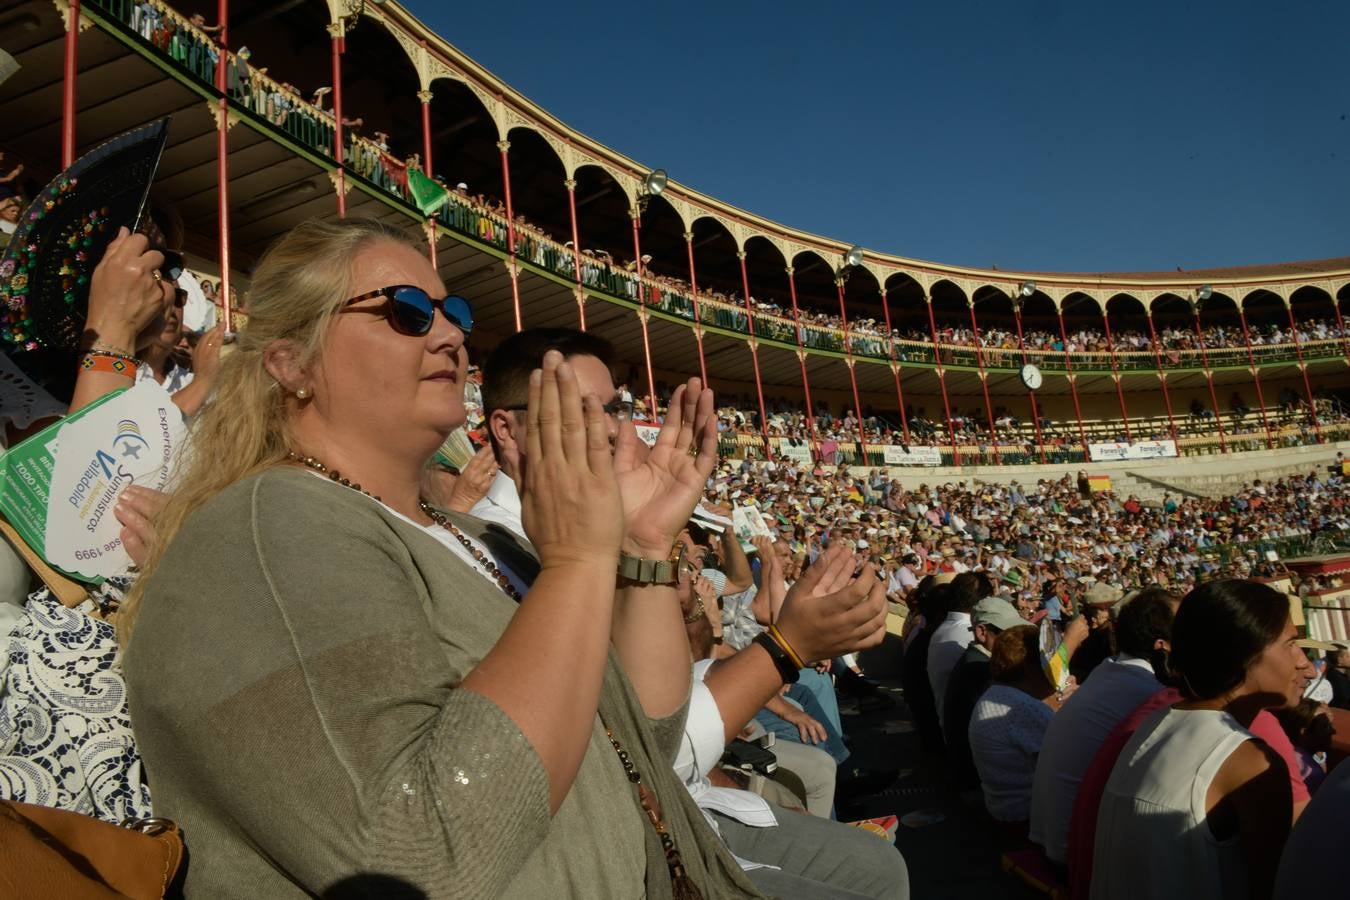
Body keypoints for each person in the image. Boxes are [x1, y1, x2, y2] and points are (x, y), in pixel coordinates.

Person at [120, 218, 887, 897]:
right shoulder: (267, 529)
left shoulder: (481, 540)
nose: (451, 334)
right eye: (406, 313)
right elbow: (426, 851)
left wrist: (646, 549)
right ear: (291, 362)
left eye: (454, 312)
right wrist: (583, 562)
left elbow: (643, 735)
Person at [1091, 579, 1314, 900]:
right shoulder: (1251, 762)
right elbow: (1278, 886)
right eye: (1290, 643)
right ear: (1244, 653)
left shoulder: (1155, 724)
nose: (1303, 660)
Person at [1029, 587, 1180, 869]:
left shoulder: (1111, 669)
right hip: (1078, 856)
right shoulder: (1149, 694)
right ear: (1163, 645)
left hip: (1054, 839)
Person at [968, 624, 1059, 827]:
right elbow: (1068, 758)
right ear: (1030, 666)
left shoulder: (998, 694)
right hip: (1027, 815)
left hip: (1002, 807)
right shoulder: (1022, 707)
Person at [942, 595, 1025, 790]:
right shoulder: (979, 670)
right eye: (1010, 634)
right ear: (982, 632)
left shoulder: (977, 663)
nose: (1018, 641)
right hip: (977, 784)